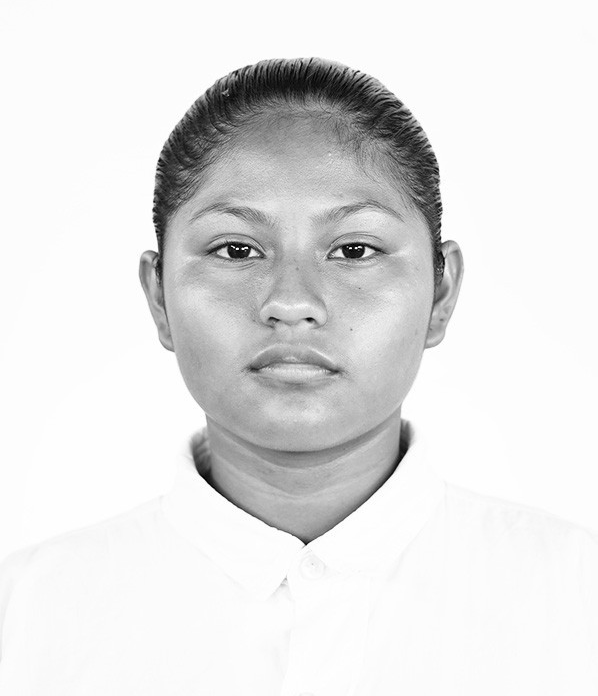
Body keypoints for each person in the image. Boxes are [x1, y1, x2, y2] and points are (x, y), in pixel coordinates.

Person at [0, 57, 596, 695]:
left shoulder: (576, 601)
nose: (291, 302)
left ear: (441, 292)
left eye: (354, 250)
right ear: (159, 296)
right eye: (236, 249)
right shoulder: (23, 620)